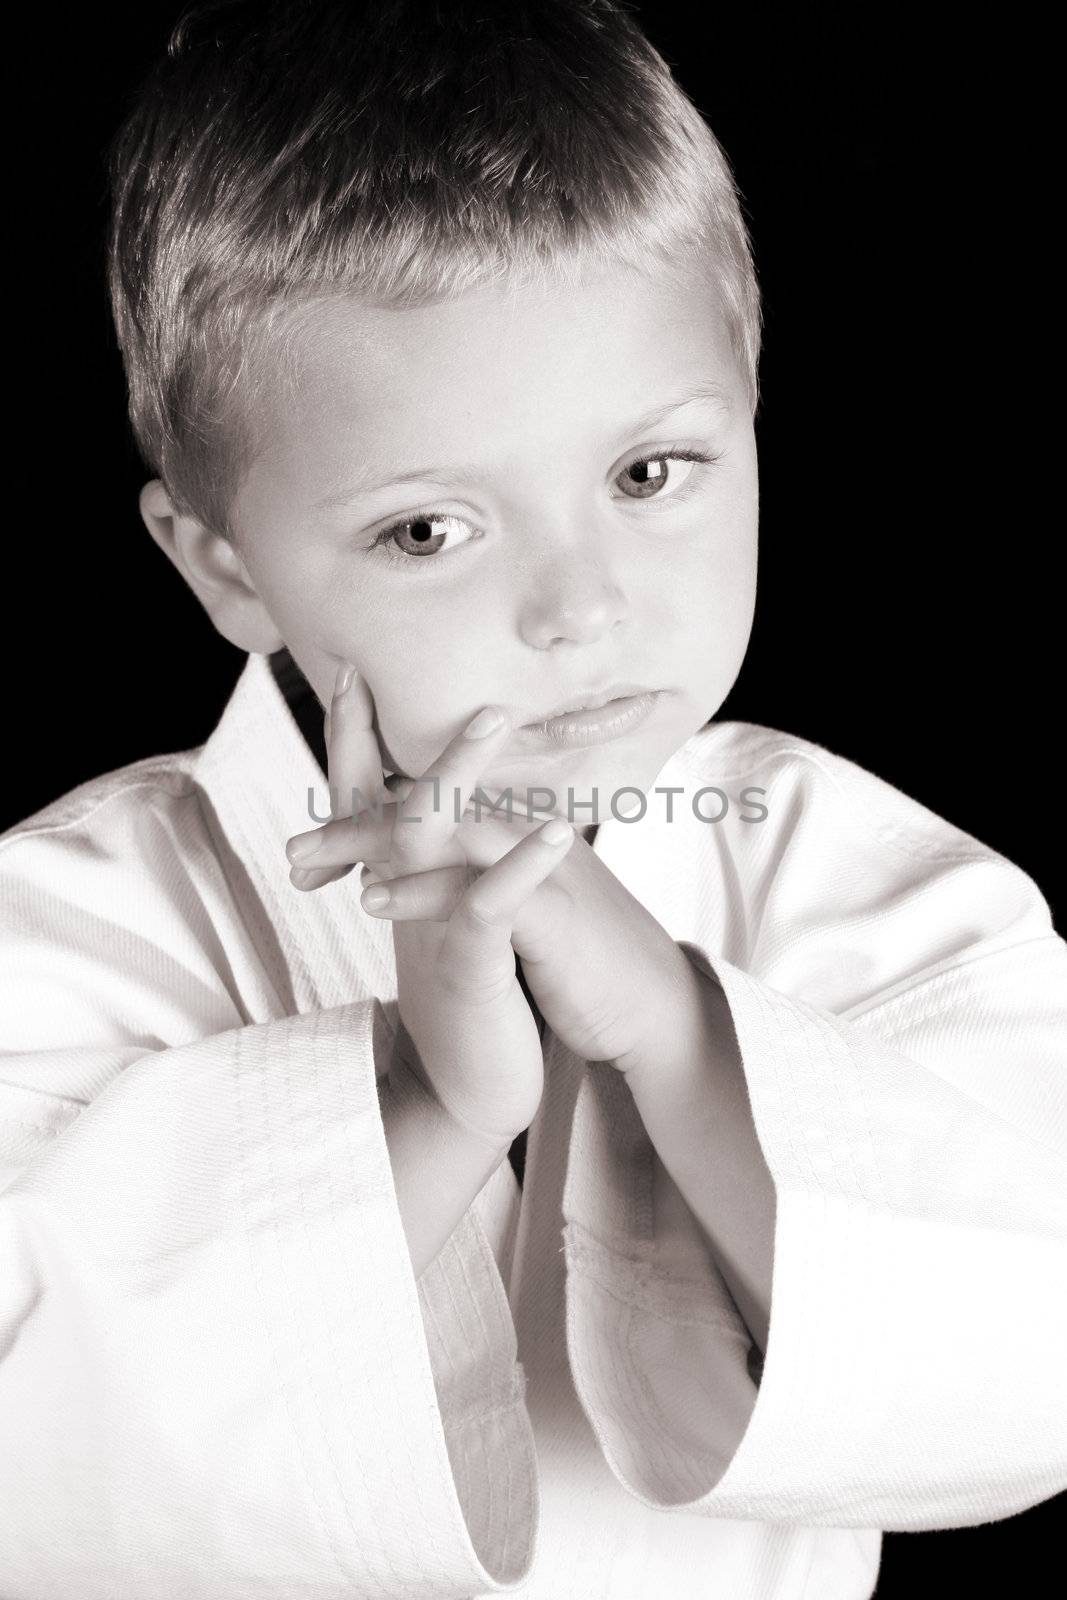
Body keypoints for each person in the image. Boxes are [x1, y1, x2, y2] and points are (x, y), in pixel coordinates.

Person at [2, 2, 1064, 1596]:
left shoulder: (868, 887)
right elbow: (38, 1461)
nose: (580, 609)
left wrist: (668, 1021)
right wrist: (425, 1105)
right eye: (429, 530)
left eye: (649, 474)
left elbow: (1029, 1366)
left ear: (750, 391)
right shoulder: (70, 922)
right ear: (225, 568)